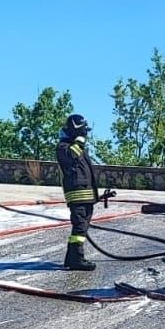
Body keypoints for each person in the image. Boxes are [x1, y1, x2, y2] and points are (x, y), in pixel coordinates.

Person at [56, 113, 99, 271]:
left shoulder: (76, 147)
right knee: (79, 227)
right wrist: (80, 139)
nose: (85, 134)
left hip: (86, 195)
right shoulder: (63, 147)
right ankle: (77, 259)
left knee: (82, 227)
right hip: (77, 195)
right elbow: (72, 156)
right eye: (82, 131)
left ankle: (71, 258)